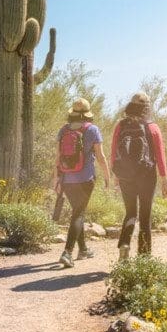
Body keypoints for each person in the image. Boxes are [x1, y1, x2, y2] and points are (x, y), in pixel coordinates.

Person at [110, 91, 167, 260]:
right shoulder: (153, 127)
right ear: (146, 107)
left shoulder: (120, 126)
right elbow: (160, 156)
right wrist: (164, 179)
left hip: (125, 176)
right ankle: (144, 258)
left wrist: (117, 174)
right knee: (145, 216)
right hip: (147, 176)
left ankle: (124, 245)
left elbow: (114, 151)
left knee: (130, 213)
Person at [55, 98, 110, 268]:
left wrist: (56, 179)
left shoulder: (63, 130)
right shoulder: (92, 130)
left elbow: (57, 158)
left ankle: (83, 249)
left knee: (77, 213)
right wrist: (108, 176)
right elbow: (100, 157)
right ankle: (67, 252)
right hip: (85, 179)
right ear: (87, 114)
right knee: (78, 214)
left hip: (66, 179)